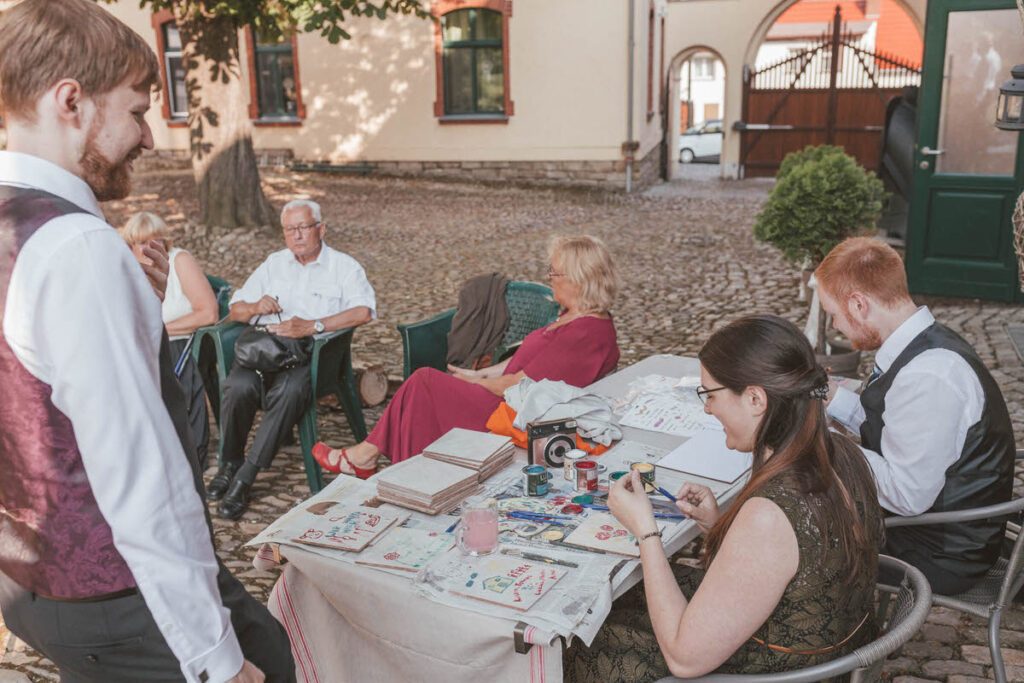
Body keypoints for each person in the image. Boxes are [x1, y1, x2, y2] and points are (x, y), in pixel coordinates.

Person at [0, 1, 291, 681]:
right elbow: (142, 482)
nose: (150, 137)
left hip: (33, 587)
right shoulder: (75, 249)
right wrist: (218, 661)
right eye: (136, 109)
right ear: (71, 101)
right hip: (124, 600)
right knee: (272, 659)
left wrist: (126, 304)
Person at [563, 315, 883, 680]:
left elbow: (685, 660)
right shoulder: (841, 452)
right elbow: (799, 560)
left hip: (780, 671)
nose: (706, 408)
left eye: (710, 394)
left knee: (582, 642)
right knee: (616, 601)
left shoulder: (770, 513)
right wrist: (718, 525)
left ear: (755, 399)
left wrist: (645, 531)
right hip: (829, 647)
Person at [313, 234, 621, 477]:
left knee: (424, 383)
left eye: (554, 273)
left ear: (578, 280)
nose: (550, 277)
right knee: (427, 388)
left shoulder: (585, 334)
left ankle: (372, 460)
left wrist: (471, 385)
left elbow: (517, 387)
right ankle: (379, 462)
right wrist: (476, 375)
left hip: (513, 417)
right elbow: (521, 365)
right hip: (510, 402)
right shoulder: (573, 316)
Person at [817, 236, 1015, 595]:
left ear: (859, 304)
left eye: (834, 315)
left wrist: (822, 439)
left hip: (937, 554)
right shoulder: (923, 341)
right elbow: (894, 425)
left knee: (800, 531)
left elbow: (906, 495)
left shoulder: (928, 376)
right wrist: (831, 399)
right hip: (936, 528)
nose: (836, 329)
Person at [209, 198, 376, 519]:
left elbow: (363, 311)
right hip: (266, 352)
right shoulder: (274, 263)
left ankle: (247, 475)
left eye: (303, 228)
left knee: (290, 392)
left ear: (321, 229)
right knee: (237, 386)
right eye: (290, 230)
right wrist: (257, 306)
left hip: (311, 357)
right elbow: (236, 309)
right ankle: (229, 462)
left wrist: (313, 325)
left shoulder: (343, 267)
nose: (297, 236)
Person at [120, 211, 218, 470]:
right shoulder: (124, 269)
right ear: (130, 246)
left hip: (180, 342)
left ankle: (192, 455)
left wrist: (159, 330)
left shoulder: (179, 260)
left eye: (156, 241)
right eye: (142, 242)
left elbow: (208, 312)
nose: (150, 248)